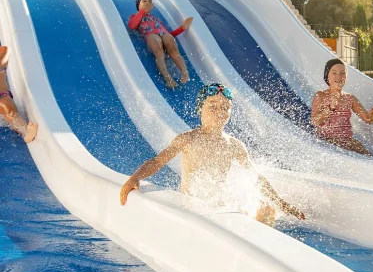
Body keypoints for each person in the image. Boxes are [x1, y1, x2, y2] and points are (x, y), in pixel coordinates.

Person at [120, 82, 305, 226]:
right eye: (213, 106)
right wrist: (136, 177)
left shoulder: (235, 145)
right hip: (192, 207)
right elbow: (158, 161)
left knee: (267, 210)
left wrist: (281, 202)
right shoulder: (188, 139)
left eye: (225, 107)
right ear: (200, 108)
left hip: (217, 206)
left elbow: (255, 177)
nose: (219, 111)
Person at [311, 58, 373, 161]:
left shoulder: (350, 98)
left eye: (342, 73)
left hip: (347, 141)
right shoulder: (321, 96)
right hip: (327, 141)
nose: (338, 77)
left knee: (358, 146)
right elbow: (315, 121)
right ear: (327, 76)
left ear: (346, 77)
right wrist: (330, 108)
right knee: (349, 145)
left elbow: (368, 119)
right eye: (334, 73)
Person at [128, 0, 193, 89]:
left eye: (150, 1)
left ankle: (184, 72)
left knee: (170, 42)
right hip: (152, 37)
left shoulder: (156, 19)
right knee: (157, 47)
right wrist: (142, 11)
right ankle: (168, 78)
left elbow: (168, 33)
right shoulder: (135, 16)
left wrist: (182, 28)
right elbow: (132, 26)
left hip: (163, 35)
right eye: (144, 1)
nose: (147, 2)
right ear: (138, 5)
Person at [0, 46, 37, 143]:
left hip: (2, 97)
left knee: (9, 110)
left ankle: (25, 131)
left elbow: (5, 50)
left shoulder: (3, 54)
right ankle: (24, 130)